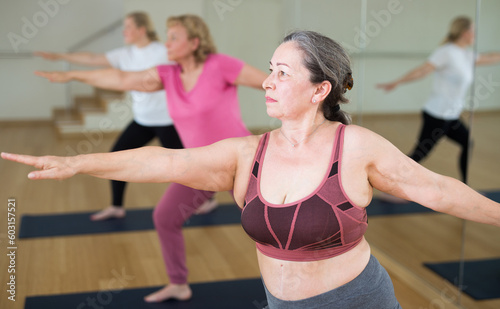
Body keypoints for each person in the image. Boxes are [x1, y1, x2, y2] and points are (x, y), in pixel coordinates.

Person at [5, 30, 500, 309]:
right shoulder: (246, 154)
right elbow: (166, 161)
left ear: (319, 90)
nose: (266, 82)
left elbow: (438, 190)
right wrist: (76, 163)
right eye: (269, 69)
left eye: (282, 73)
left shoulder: (355, 148)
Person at [34, 14, 267, 302]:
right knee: (165, 217)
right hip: (199, 164)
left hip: (243, 161)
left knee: (265, 227)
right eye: (167, 36)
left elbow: (271, 85)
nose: (166, 42)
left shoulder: (220, 65)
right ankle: (179, 284)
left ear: (195, 42)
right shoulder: (167, 75)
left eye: (174, 37)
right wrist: (72, 75)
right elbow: (121, 78)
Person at [36, 12, 193, 221]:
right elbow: (92, 58)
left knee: (187, 167)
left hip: (168, 122)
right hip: (142, 121)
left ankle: (206, 200)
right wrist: (62, 57)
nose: (123, 31)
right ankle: (116, 206)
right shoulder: (125, 55)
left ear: (141, 30)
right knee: (117, 155)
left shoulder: (163, 51)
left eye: (128, 27)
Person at [377, 16, 500, 185]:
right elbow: (422, 71)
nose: (475, 34)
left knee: (466, 142)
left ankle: (465, 185)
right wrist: (397, 82)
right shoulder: (446, 52)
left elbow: (492, 57)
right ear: (465, 33)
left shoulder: (467, 55)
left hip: (452, 116)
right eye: (474, 31)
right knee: (420, 153)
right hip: (438, 114)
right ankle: (389, 183)